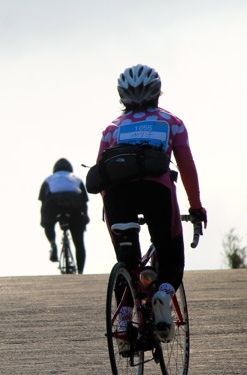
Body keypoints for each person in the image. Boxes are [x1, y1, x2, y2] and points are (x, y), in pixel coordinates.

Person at [86, 64, 207, 338]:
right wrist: (196, 207)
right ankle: (164, 294)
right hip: (157, 192)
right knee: (170, 253)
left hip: (117, 198)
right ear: (157, 92)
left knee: (127, 264)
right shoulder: (171, 123)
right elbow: (187, 166)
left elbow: (102, 177)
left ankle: (124, 321)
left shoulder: (111, 129)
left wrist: (114, 225)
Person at [38, 158, 89, 274]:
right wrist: (85, 217)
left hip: (53, 204)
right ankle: (80, 272)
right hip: (74, 205)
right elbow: (84, 202)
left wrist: (44, 221)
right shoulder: (76, 179)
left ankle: (53, 244)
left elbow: (43, 202)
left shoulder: (49, 179)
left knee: (48, 223)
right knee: (79, 242)